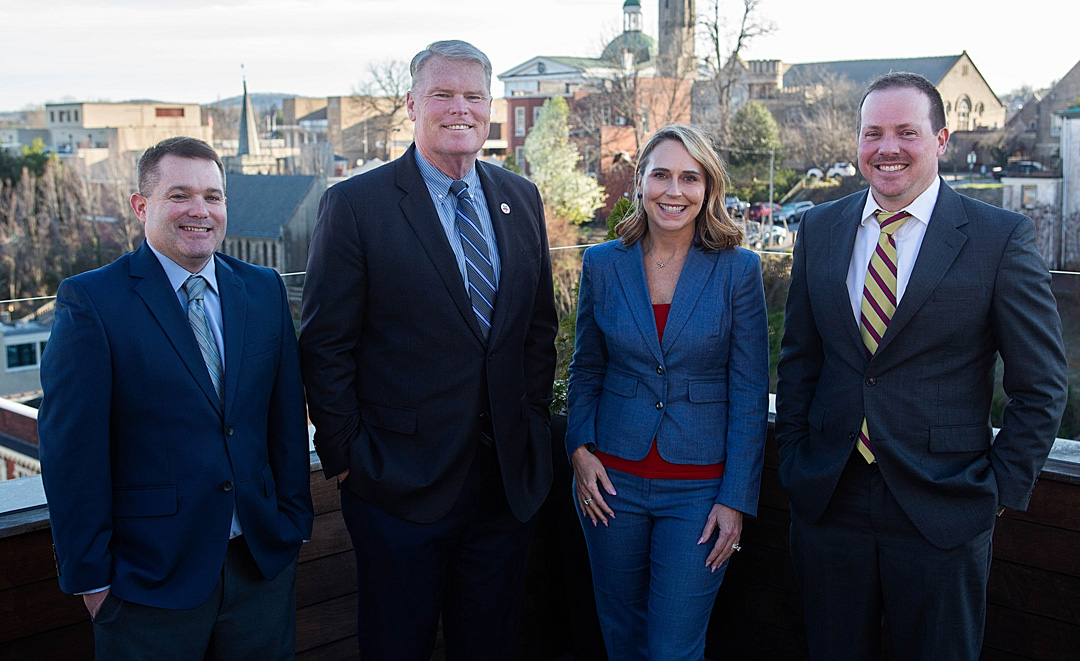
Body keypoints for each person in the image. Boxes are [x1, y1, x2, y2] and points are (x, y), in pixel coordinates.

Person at [775, 72, 1068, 659]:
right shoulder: (820, 229)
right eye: (873, 133)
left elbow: (1041, 387)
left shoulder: (1000, 238)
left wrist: (997, 491)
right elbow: (799, 361)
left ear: (941, 139)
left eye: (907, 132)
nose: (888, 148)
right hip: (830, 500)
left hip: (945, 509)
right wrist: (795, 457)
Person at [298, 40, 558, 661]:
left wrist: (531, 430)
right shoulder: (356, 205)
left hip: (503, 488)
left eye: (473, 96)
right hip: (396, 488)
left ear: (490, 106)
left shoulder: (520, 198)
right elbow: (326, 345)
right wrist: (346, 459)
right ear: (412, 104)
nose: (458, 109)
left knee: (489, 645)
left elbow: (537, 331)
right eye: (442, 95)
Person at [38, 136, 314, 660]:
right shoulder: (93, 301)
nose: (200, 211)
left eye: (213, 196)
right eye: (180, 195)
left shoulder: (262, 289)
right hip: (146, 581)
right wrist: (92, 582)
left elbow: (282, 419)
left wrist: (293, 521)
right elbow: (72, 452)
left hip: (259, 565)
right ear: (142, 206)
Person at [567, 124, 769, 661]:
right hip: (611, 485)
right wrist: (578, 450)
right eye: (661, 175)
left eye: (689, 177)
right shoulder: (603, 263)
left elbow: (750, 391)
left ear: (708, 188)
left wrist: (736, 498)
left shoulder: (739, 271)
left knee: (673, 648)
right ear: (640, 182)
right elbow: (586, 366)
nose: (673, 190)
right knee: (622, 635)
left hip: (699, 494)